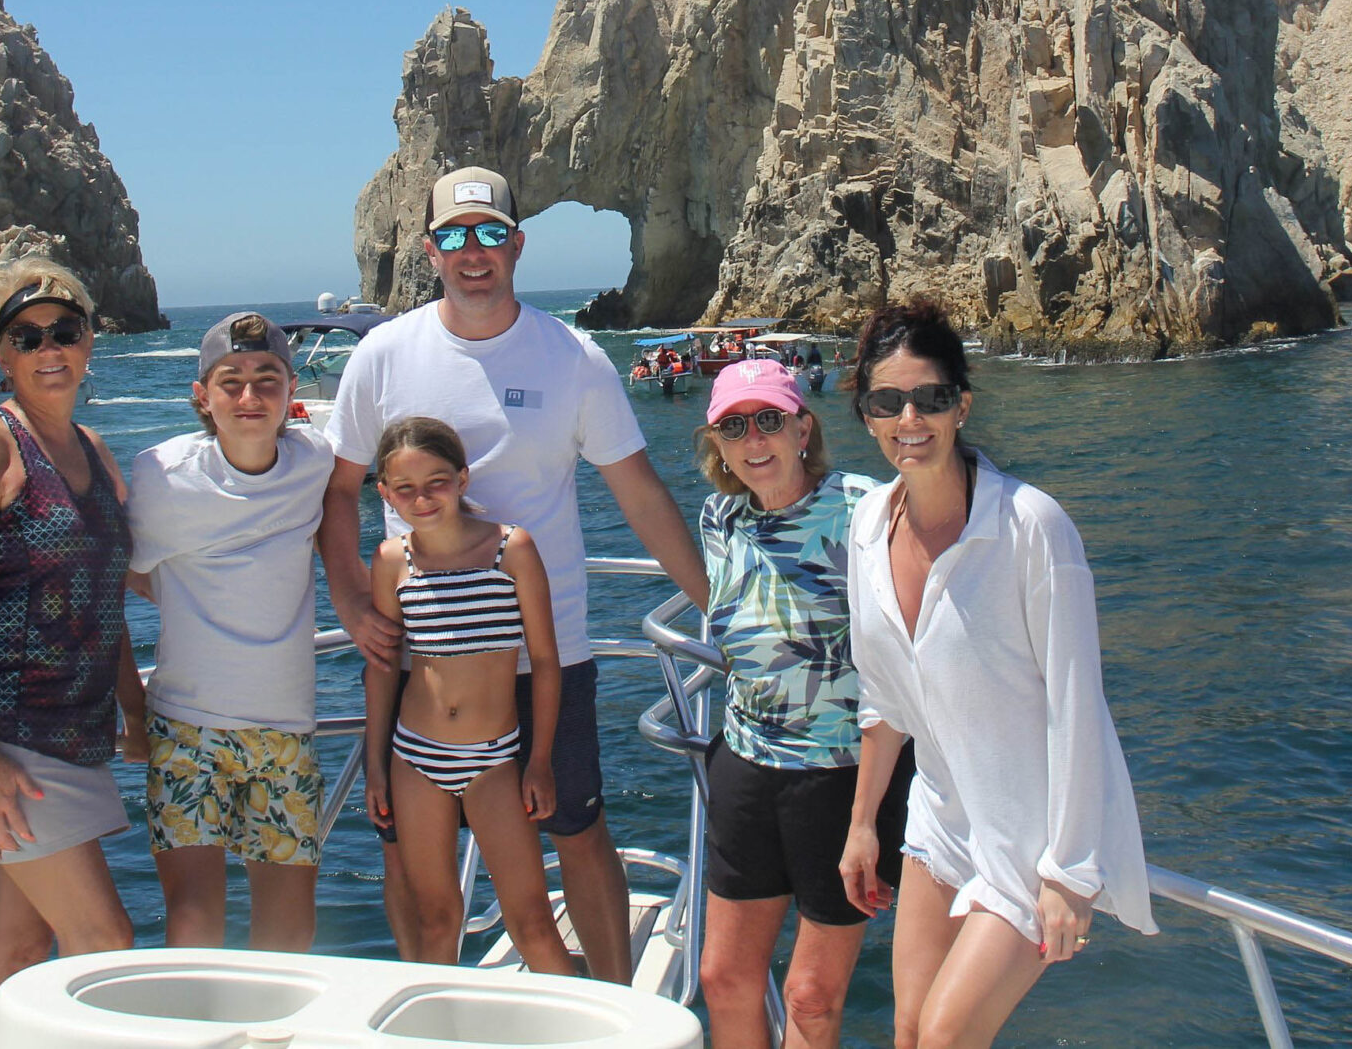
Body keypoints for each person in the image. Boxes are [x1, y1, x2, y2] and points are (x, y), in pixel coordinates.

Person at [319, 165, 705, 982]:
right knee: (409, 858)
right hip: (423, 671)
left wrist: (720, 610)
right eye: (454, 236)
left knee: (576, 829)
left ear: (517, 244)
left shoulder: (575, 357)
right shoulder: (383, 355)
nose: (473, 253)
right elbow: (338, 492)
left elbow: (638, 490)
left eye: (489, 233)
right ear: (429, 251)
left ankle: (614, 1011)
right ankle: (429, 1014)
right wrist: (352, 599)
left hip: (547, 657)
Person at [837, 301, 1155, 1049]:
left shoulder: (1031, 526)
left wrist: (1070, 872)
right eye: (889, 401)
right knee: (910, 1033)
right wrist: (859, 825)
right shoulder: (866, 524)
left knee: (947, 1037)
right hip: (944, 816)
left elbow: (1077, 706)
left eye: (931, 398)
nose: (910, 418)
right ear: (866, 414)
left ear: (962, 404)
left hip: (1032, 835)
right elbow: (884, 698)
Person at [0, 259, 143, 1048]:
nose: (50, 348)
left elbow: (106, 592)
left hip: (77, 734)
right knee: (106, 943)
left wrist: (135, 713)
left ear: (89, 341)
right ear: (1, 353)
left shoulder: (95, 447)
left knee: (18, 954)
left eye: (65, 330)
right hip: (7, 740)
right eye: (28, 336)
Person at [694, 360, 909, 1049]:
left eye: (769, 420)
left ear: (802, 427)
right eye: (734, 425)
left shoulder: (866, 508)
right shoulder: (719, 517)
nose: (754, 439)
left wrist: (868, 818)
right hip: (747, 763)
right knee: (724, 978)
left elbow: (912, 646)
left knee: (811, 998)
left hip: (842, 777)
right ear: (717, 444)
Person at [128, 313, 333, 951]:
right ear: (202, 395)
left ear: (292, 388)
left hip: (285, 731)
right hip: (186, 728)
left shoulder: (317, 460)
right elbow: (124, 572)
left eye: (266, 379)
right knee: (194, 925)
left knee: (289, 930)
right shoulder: (160, 474)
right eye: (231, 381)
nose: (250, 397)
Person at [361, 416, 575, 974]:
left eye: (436, 481)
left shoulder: (511, 549)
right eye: (404, 489)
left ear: (462, 478)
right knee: (436, 917)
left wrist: (541, 762)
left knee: (531, 919)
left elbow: (547, 663)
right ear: (385, 494)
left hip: (494, 759)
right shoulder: (391, 561)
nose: (422, 498)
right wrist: (375, 766)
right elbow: (383, 671)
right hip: (414, 758)